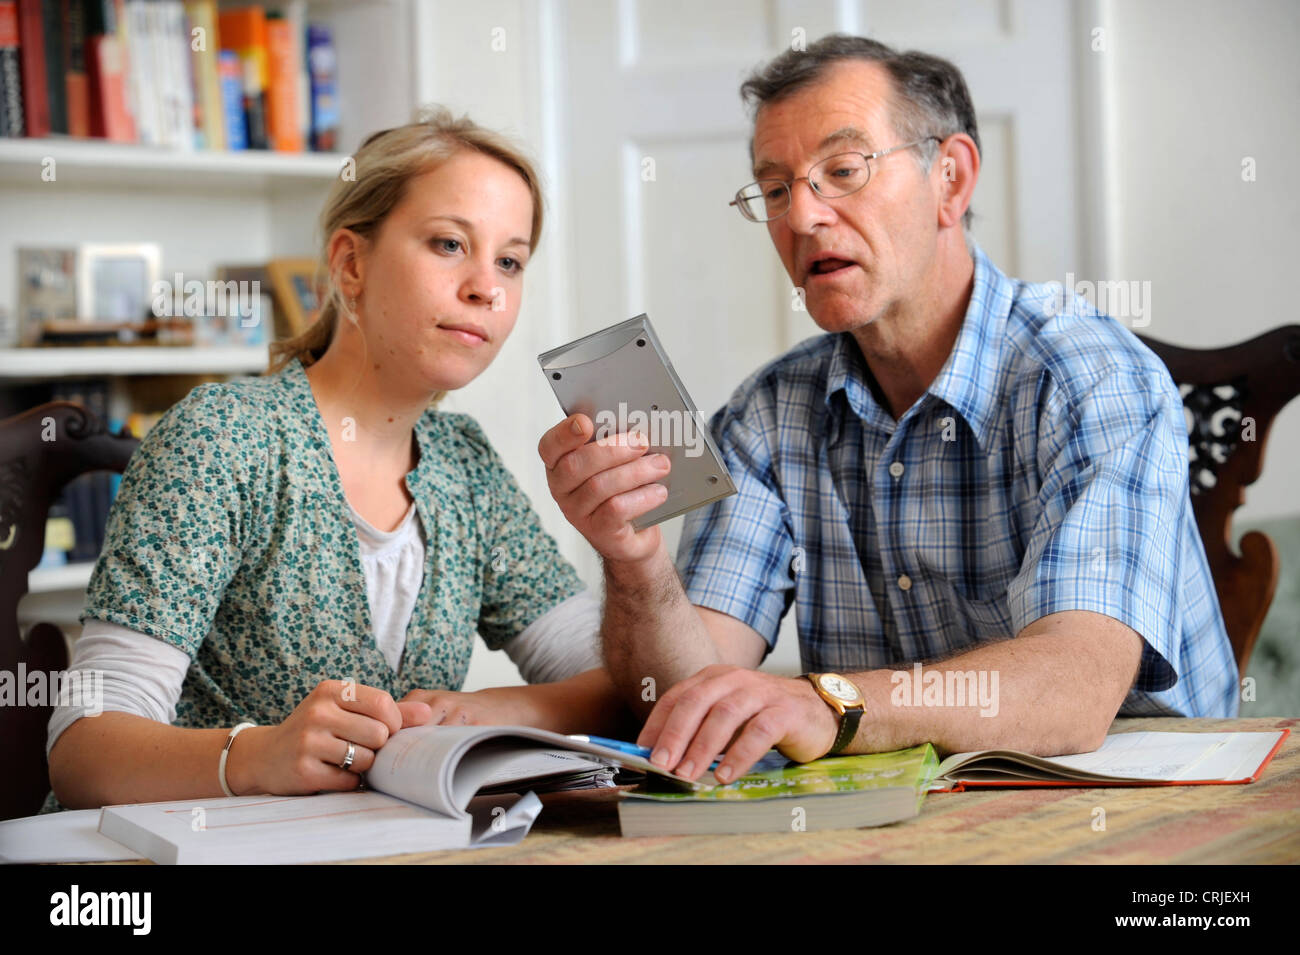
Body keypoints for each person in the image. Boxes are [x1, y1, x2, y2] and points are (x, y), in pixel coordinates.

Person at [538, 35, 1238, 785]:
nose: (802, 216)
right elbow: (693, 687)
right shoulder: (767, 415)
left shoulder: (1094, 378)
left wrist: (830, 704)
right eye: (775, 190)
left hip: (1142, 811)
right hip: (900, 819)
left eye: (842, 170)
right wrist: (636, 560)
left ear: (951, 178)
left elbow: (1076, 683)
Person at [45, 107, 627, 812]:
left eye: (510, 259)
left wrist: (496, 710)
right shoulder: (223, 438)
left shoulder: (464, 463)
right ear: (351, 264)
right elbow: (83, 751)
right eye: (449, 243)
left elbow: (617, 683)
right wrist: (256, 753)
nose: (488, 287)